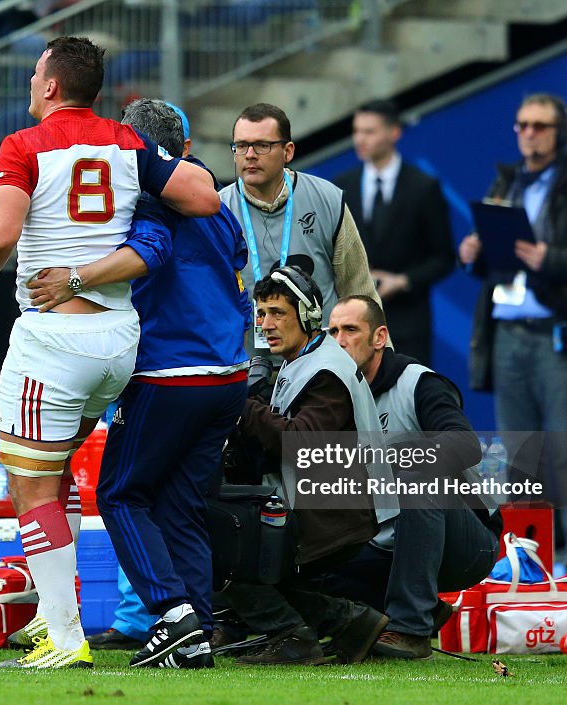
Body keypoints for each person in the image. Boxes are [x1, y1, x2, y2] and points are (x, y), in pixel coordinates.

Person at [0, 37, 221, 670]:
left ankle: (66, 638)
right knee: (60, 467)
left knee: (29, 480)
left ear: (49, 86)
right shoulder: (126, 143)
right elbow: (204, 198)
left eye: (36, 71)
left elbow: (0, 234)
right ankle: (53, 619)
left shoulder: (24, 144)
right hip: (118, 337)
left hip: (57, 339)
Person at [26, 98, 251, 669]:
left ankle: (172, 615)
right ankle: (197, 630)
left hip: (169, 372)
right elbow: (241, 261)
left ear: (129, 147)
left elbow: (149, 251)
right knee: (180, 505)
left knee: (120, 494)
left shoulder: (149, 198)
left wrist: (76, 278)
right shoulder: (219, 205)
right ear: (188, 149)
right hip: (227, 374)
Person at [458, 93, 567, 578]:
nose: (529, 133)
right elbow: (500, 261)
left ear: (559, 132)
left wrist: (550, 259)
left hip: (560, 335)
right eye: (523, 125)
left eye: (540, 126)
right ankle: (528, 558)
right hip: (509, 333)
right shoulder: (506, 184)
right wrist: (476, 252)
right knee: (520, 454)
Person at [218, 266, 390, 666]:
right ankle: (353, 624)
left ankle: (292, 636)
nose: (266, 324)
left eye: (277, 312)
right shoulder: (306, 361)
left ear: (310, 315)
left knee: (220, 545)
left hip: (336, 518)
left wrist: (240, 405)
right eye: (261, 314)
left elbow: (301, 444)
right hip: (326, 510)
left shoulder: (326, 370)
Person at [327, 295, 502, 659]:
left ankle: (409, 629)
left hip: (466, 541)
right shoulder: (332, 396)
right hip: (386, 544)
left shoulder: (419, 383)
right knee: (304, 560)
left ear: (379, 338)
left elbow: (465, 446)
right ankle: (394, 613)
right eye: (333, 332)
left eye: (350, 330)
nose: (340, 340)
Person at [218, 103, 384, 357]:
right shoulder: (216, 211)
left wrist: (380, 364)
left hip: (322, 368)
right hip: (246, 370)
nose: (250, 154)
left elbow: (359, 291)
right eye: (241, 146)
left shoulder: (326, 199)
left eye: (262, 145)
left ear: (288, 151)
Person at [332, 99, 455, 366]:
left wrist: (402, 281)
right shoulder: (342, 186)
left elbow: (444, 257)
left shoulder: (423, 187)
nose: (359, 139)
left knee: (407, 402)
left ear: (394, 132)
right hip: (353, 325)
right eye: (357, 131)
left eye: (369, 131)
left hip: (408, 324)